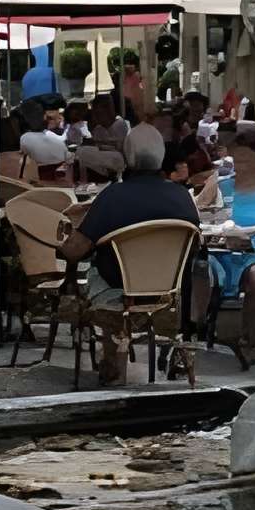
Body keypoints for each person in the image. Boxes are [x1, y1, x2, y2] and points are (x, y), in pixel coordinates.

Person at [59, 125, 198, 381]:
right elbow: (195, 252)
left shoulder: (113, 197)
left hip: (118, 295)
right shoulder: (183, 197)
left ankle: (112, 356)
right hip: (168, 297)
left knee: (96, 273)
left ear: (126, 158)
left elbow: (73, 251)